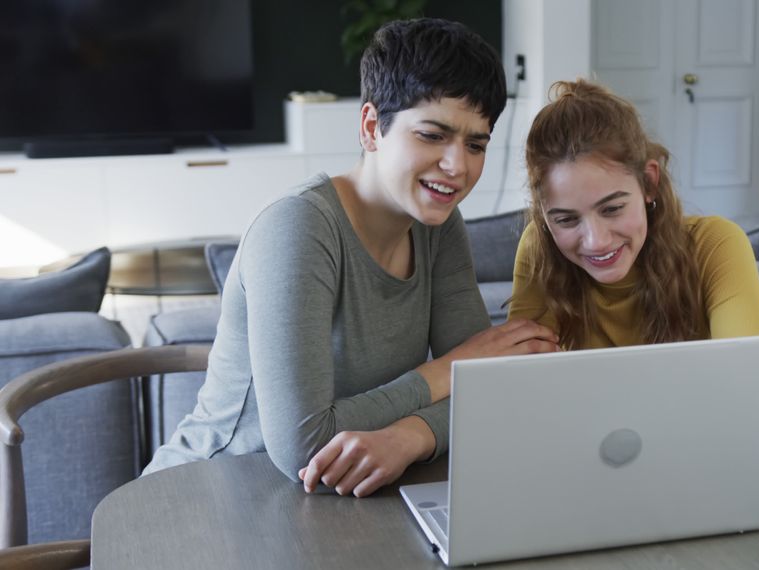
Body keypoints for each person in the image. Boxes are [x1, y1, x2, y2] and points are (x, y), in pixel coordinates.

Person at [144, 19, 558, 496]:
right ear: (370, 128)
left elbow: (483, 388)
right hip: (208, 491)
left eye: (476, 143)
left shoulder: (438, 227)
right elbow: (303, 444)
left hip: (326, 507)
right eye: (431, 135)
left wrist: (411, 436)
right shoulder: (299, 227)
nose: (457, 166)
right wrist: (443, 372)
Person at [508, 79, 759, 435]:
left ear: (649, 183)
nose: (595, 241)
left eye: (612, 209)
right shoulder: (541, 247)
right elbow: (522, 406)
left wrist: (581, 395)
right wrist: (715, 386)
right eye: (565, 219)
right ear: (543, 214)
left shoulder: (717, 245)